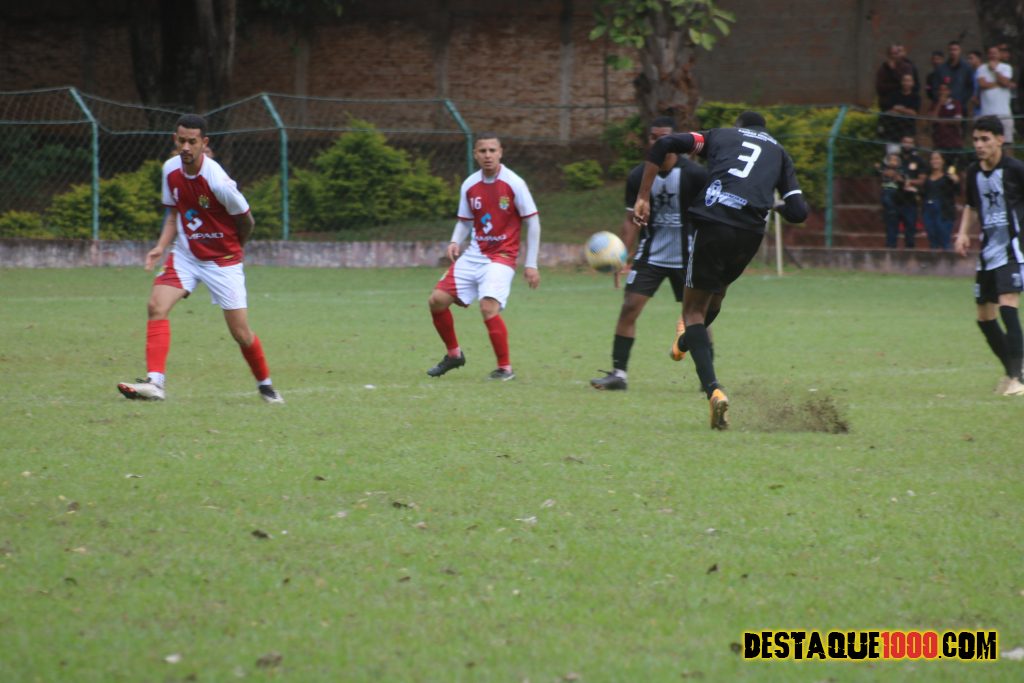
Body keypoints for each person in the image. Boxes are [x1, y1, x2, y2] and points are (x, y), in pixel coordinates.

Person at [633, 111, 808, 429]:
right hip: (750, 234)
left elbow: (664, 144)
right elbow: (798, 212)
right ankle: (684, 343)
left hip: (715, 222)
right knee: (716, 297)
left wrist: (643, 197)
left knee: (692, 311)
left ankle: (714, 390)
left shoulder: (721, 135)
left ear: (739, 127)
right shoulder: (779, 153)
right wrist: (773, 205)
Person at [117, 114, 283, 403]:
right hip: (186, 255)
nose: (186, 147)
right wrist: (160, 246)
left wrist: (235, 248)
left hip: (223, 261)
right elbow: (174, 214)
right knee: (156, 306)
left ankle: (266, 386)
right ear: (175, 139)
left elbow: (247, 220)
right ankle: (155, 383)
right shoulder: (170, 170)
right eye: (181, 140)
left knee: (241, 333)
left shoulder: (218, 181)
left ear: (204, 143)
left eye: (192, 141)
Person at [590, 116, 710, 391]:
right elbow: (631, 220)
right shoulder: (638, 176)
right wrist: (620, 257)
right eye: (654, 137)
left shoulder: (695, 175)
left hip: (688, 257)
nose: (659, 142)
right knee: (629, 308)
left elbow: (709, 216)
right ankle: (618, 375)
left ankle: (707, 380)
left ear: (676, 141)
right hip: (651, 256)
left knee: (697, 316)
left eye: (665, 137)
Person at [425, 134, 540, 381]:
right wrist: (455, 241)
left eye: (492, 150)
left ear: (501, 153)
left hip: (502, 255)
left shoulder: (514, 183)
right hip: (474, 255)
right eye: (482, 151)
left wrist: (531, 264)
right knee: (437, 300)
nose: (488, 155)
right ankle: (454, 355)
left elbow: (533, 221)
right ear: (475, 154)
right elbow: (465, 221)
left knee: (488, 307)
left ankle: (505, 369)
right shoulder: (469, 185)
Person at [954, 116, 1024, 396]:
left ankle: (1019, 378)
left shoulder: (1015, 169)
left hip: (1013, 248)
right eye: (976, 140)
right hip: (988, 252)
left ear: (1000, 140)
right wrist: (962, 233)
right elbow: (972, 205)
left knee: (1008, 304)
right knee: (984, 316)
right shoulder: (973, 172)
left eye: (985, 139)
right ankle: (1012, 372)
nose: (979, 145)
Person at [976, 45, 1015, 144]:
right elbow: (982, 84)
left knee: (1006, 143)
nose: (993, 55)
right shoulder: (981, 68)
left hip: (1004, 113)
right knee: (987, 143)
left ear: (999, 55)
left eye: (995, 53)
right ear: (987, 55)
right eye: (990, 53)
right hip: (987, 114)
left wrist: (995, 70)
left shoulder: (1006, 67)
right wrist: (999, 84)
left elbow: (1005, 82)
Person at [921, 150, 959, 250]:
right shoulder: (927, 177)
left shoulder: (948, 177)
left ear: (942, 161)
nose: (935, 161)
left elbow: (957, 192)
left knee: (945, 239)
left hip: (943, 211)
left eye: (937, 158)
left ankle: (948, 259)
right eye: (932, 159)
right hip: (928, 209)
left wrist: (956, 182)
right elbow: (923, 193)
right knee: (932, 238)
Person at [930, 82, 964, 164]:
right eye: (941, 90)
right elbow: (932, 120)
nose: (942, 92)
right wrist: (939, 104)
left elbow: (957, 121)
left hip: (954, 142)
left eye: (945, 90)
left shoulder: (955, 103)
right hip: (939, 142)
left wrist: (940, 120)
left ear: (949, 91)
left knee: (954, 166)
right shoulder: (934, 104)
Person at [882, 73, 922, 141]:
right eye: (904, 80)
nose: (906, 83)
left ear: (912, 83)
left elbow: (913, 113)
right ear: (901, 82)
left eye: (908, 81)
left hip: (908, 129)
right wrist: (905, 111)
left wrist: (899, 109)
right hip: (894, 129)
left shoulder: (915, 97)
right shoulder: (893, 95)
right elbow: (889, 111)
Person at [937, 41, 975, 111]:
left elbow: (970, 87)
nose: (953, 52)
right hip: (943, 107)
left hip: (960, 106)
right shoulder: (941, 68)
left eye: (955, 50)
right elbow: (936, 86)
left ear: (960, 51)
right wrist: (941, 99)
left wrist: (962, 100)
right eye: (951, 50)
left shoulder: (966, 68)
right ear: (948, 51)